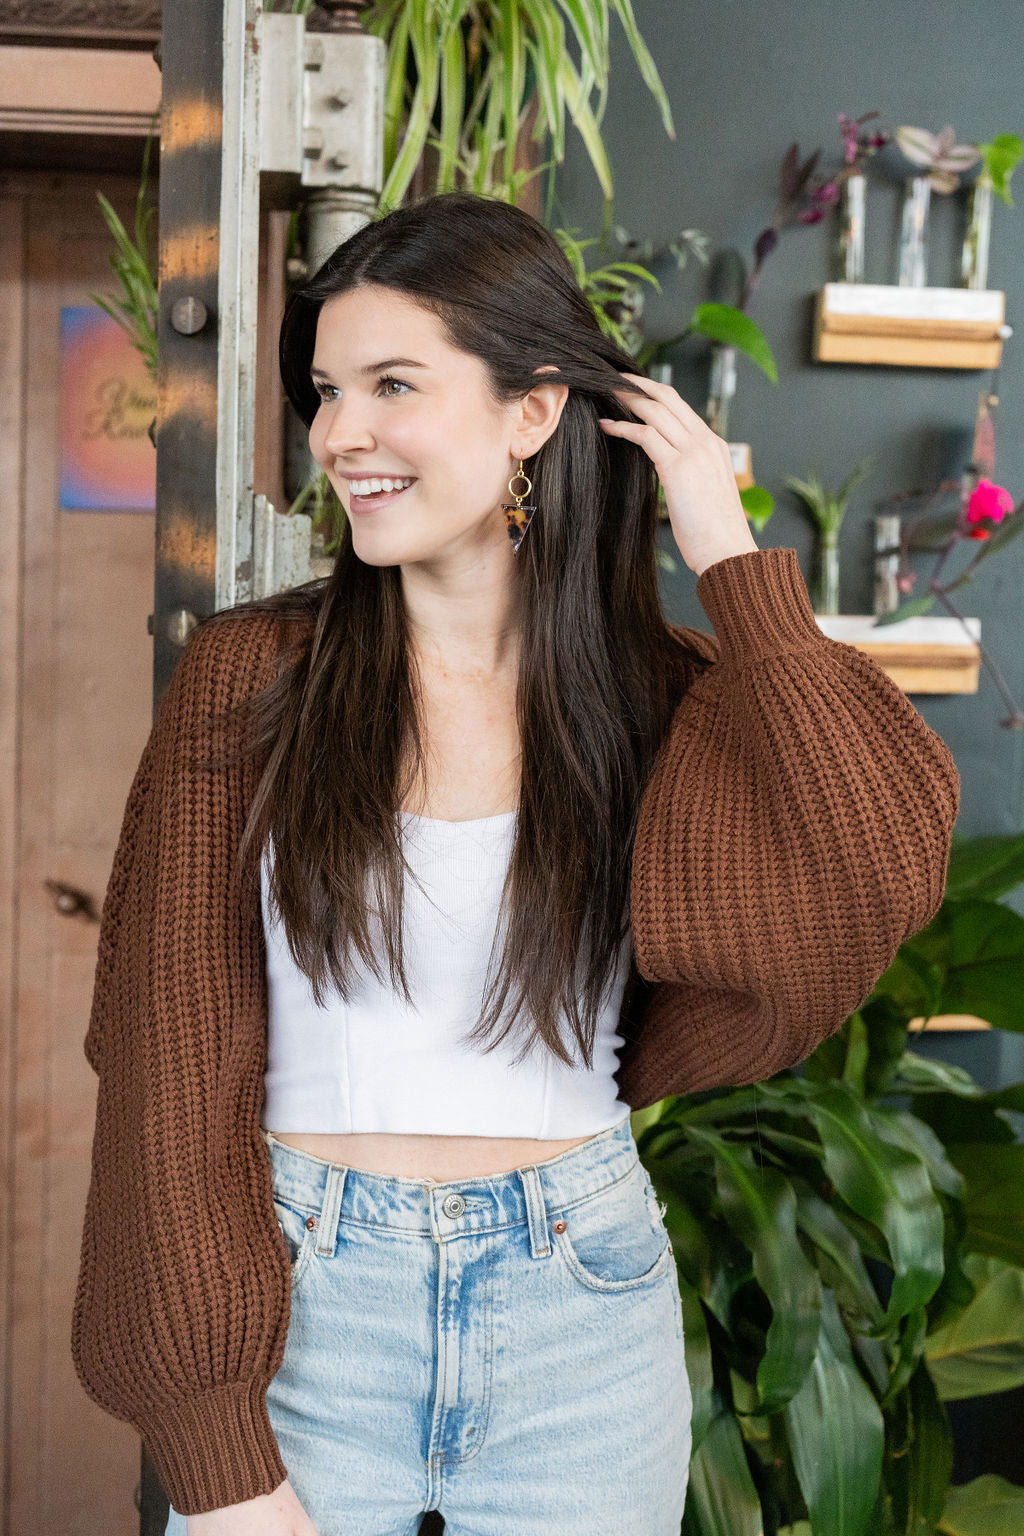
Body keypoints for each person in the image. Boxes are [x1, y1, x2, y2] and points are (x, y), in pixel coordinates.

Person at [71, 191, 960, 1536]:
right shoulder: (253, 677)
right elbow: (165, 1054)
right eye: (328, 392)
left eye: (392, 385)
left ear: (532, 411)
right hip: (302, 1306)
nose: (341, 435)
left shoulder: (660, 697)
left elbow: (874, 867)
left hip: (580, 1305)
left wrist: (730, 559)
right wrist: (216, 1450)